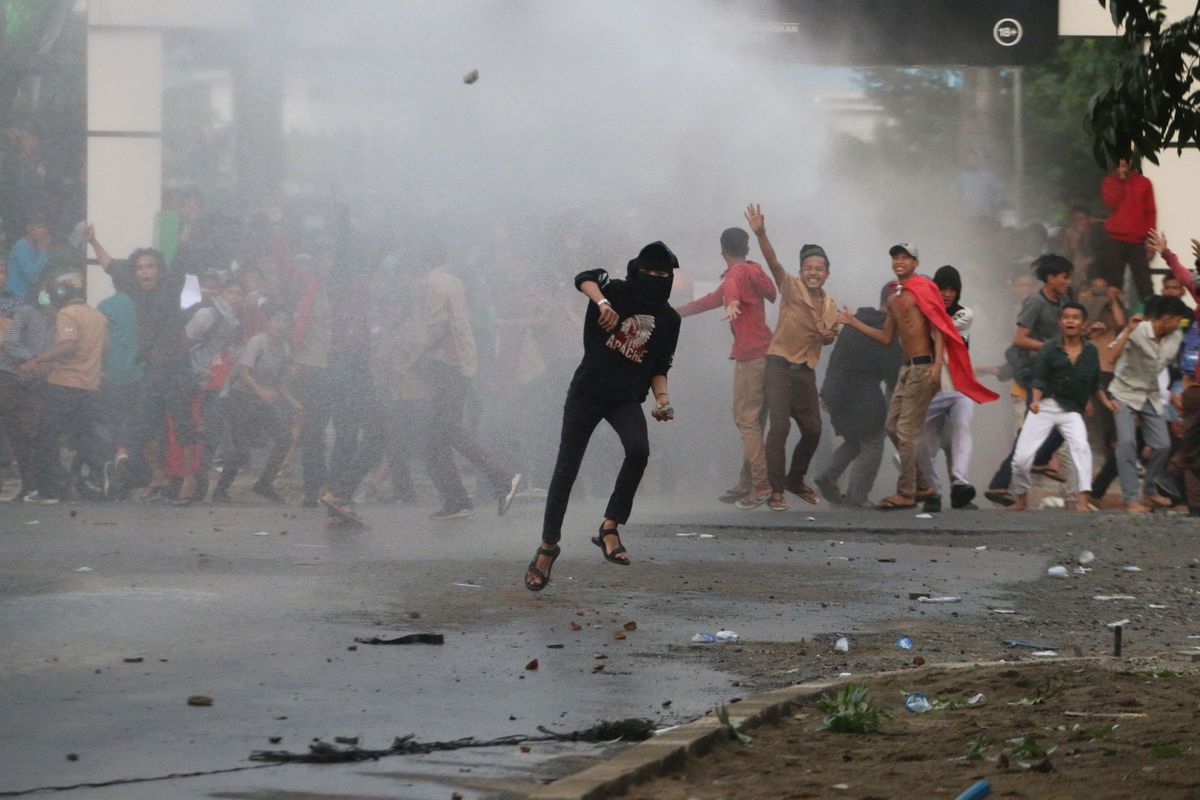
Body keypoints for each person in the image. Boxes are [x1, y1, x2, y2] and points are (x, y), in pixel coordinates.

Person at [523, 241, 681, 592]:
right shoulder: (615, 292)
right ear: (635, 270)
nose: (655, 279)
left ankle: (610, 526)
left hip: (625, 399)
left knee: (638, 450)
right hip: (587, 392)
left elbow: (660, 365)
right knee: (567, 467)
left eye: (662, 274)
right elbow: (585, 277)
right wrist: (603, 303)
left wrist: (663, 400)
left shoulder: (670, 319)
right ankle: (547, 549)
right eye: (649, 272)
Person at [839, 243, 997, 509]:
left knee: (907, 430)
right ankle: (924, 486)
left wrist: (936, 365)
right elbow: (887, 338)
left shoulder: (924, 290)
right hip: (906, 368)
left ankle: (907, 491)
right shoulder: (893, 297)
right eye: (895, 257)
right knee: (891, 427)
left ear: (915, 263)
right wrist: (853, 322)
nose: (899, 261)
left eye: (905, 257)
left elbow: (938, 327)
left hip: (923, 367)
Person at [413, 239, 521, 520]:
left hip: (447, 363)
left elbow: (439, 330)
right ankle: (457, 500)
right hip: (459, 362)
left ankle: (502, 477)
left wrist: (412, 358)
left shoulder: (432, 283)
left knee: (446, 427)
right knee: (434, 436)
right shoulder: (453, 281)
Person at [89, 228, 199, 504]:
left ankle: (188, 479)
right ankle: (158, 476)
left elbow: (182, 257)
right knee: (147, 426)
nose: (144, 272)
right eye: (139, 268)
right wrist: (92, 240)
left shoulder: (171, 286)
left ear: (160, 270)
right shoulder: (133, 291)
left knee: (183, 426)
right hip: (150, 369)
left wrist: (186, 229)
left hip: (176, 368)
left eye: (150, 267)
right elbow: (109, 265)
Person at [743, 204, 837, 511]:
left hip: (805, 371)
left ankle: (795, 480)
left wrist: (828, 337)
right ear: (801, 271)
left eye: (819, 269)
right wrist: (761, 233)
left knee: (813, 430)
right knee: (779, 428)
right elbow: (772, 262)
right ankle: (776, 490)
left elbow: (828, 333)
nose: (813, 273)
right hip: (778, 366)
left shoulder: (829, 304)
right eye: (808, 267)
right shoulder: (791, 286)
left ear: (826, 274)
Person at [676, 226, 776, 508]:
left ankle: (760, 484)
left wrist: (732, 303)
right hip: (766, 352)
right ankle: (747, 481)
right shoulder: (752, 271)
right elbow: (714, 299)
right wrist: (674, 313)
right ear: (746, 248)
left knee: (746, 420)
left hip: (749, 356)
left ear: (722, 250)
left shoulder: (735, 274)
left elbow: (729, 291)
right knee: (754, 419)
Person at [985, 255, 1077, 506]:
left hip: (1057, 371)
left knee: (1065, 420)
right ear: (1050, 278)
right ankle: (1001, 482)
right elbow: (1020, 339)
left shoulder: (1065, 302)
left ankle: (1035, 462)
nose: (1068, 281)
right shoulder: (1035, 302)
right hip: (1038, 371)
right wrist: (1049, 347)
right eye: (1064, 276)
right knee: (1036, 429)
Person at [1010, 302, 1115, 511]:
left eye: (1075, 318)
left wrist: (1105, 401)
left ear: (1082, 323)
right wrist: (1036, 401)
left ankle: (1083, 500)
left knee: (1081, 449)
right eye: (1066, 317)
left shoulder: (1091, 351)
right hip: (1046, 405)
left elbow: (1094, 382)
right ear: (1060, 322)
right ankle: (1021, 497)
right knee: (1022, 457)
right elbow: (1039, 378)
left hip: (1071, 409)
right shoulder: (1049, 348)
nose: (1070, 321)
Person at [19, 274, 108, 503]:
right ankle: (96, 481)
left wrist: (38, 361)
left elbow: (68, 345)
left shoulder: (67, 314)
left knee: (47, 438)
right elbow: (103, 348)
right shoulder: (97, 315)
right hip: (90, 386)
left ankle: (50, 490)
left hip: (64, 386)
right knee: (84, 437)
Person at [814, 283, 900, 508]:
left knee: (855, 440)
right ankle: (858, 496)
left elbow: (836, 358)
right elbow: (892, 369)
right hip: (863, 393)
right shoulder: (885, 329)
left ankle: (828, 476)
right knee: (873, 441)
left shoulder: (857, 320)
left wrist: (826, 392)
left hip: (836, 390)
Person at [1108, 294, 1192, 512]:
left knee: (1163, 445)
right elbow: (1111, 356)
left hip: (1150, 394)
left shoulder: (1175, 337)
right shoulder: (1138, 329)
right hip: (1124, 392)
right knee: (1127, 443)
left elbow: (1174, 369)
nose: (1179, 324)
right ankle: (1131, 498)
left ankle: (1150, 489)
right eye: (1177, 320)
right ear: (1166, 318)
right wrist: (1127, 331)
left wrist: (1174, 394)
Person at [210, 303, 301, 503]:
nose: (281, 325)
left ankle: (264, 484)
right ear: (268, 323)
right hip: (240, 398)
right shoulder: (258, 342)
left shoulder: (285, 349)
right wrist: (262, 392)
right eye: (277, 320)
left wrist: (294, 402)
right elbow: (244, 372)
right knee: (241, 447)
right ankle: (220, 490)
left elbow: (277, 382)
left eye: (285, 322)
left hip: (261, 401)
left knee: (284, 438)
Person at [916, 266, 976, 510]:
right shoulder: (924, 314)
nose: (948, 294)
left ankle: (960, 483)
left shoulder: (964, 314)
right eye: (943, 289)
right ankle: (934, 493)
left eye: (953, 289)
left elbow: (943, 330)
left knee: (963, 427)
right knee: (926, 442)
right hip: (932, 387)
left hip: (958, 386)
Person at [0, 258, 51, 500]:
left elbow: (18, 340)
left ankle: (30, 485)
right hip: (14, 376)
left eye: (1, 270)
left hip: (15, 377)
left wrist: (33, 363)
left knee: (21, 432)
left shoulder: (18, 305)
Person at [1100, 157, 1156, 302]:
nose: (1123, 161)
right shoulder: (1109, 181)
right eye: (1120, 158)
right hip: (1115, 239)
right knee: (1114, 283)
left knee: (1144, 283)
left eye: (1127, 158)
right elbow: (1110, 204)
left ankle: (1150, 316)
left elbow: (1150, 211)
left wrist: (1151, 239)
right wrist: (1121, 179)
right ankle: (1115, 319)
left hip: (1137, 239)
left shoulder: (1144, 182)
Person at [4, 215, 50, 304]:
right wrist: (43, 252)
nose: (42, 231)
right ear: (29, 228)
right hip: (15, 296)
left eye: (44, 227)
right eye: (39, 227)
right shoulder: (21, 247)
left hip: (29, 297)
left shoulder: (37, 247)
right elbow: (31, 275)